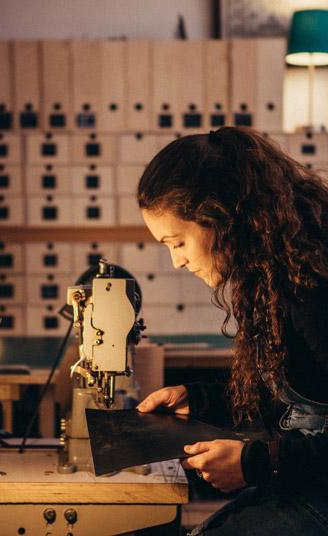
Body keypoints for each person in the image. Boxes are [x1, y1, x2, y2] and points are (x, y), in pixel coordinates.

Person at [136, 127, 328, 536]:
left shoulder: (312, 288)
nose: (177, 262)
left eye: (179, 242)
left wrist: (257, 462)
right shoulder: (279, 272)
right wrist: (201, 400)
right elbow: (298, 398)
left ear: (219, 217)